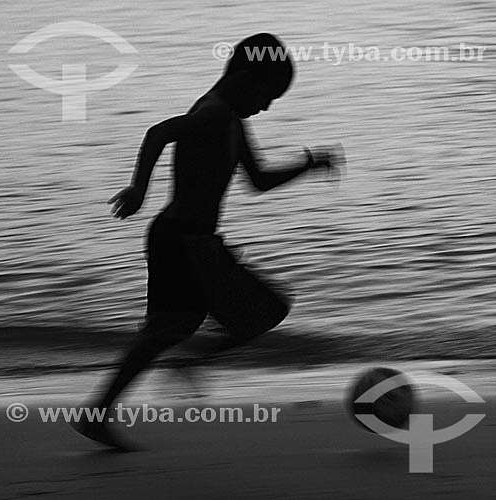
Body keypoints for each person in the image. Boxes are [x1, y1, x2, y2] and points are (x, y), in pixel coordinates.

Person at [71, 32, 345, 448]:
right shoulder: (215, 114)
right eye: (268, 95)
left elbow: (258, 181)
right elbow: (159, 132)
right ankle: (177, 369)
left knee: (171, 329)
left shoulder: (234, 120)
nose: (267, 106)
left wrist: (308, 163)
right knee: (253, 312)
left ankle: (105, 407)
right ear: (247, 78)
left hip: (191, 240)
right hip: (182, 240)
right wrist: (138, 188)